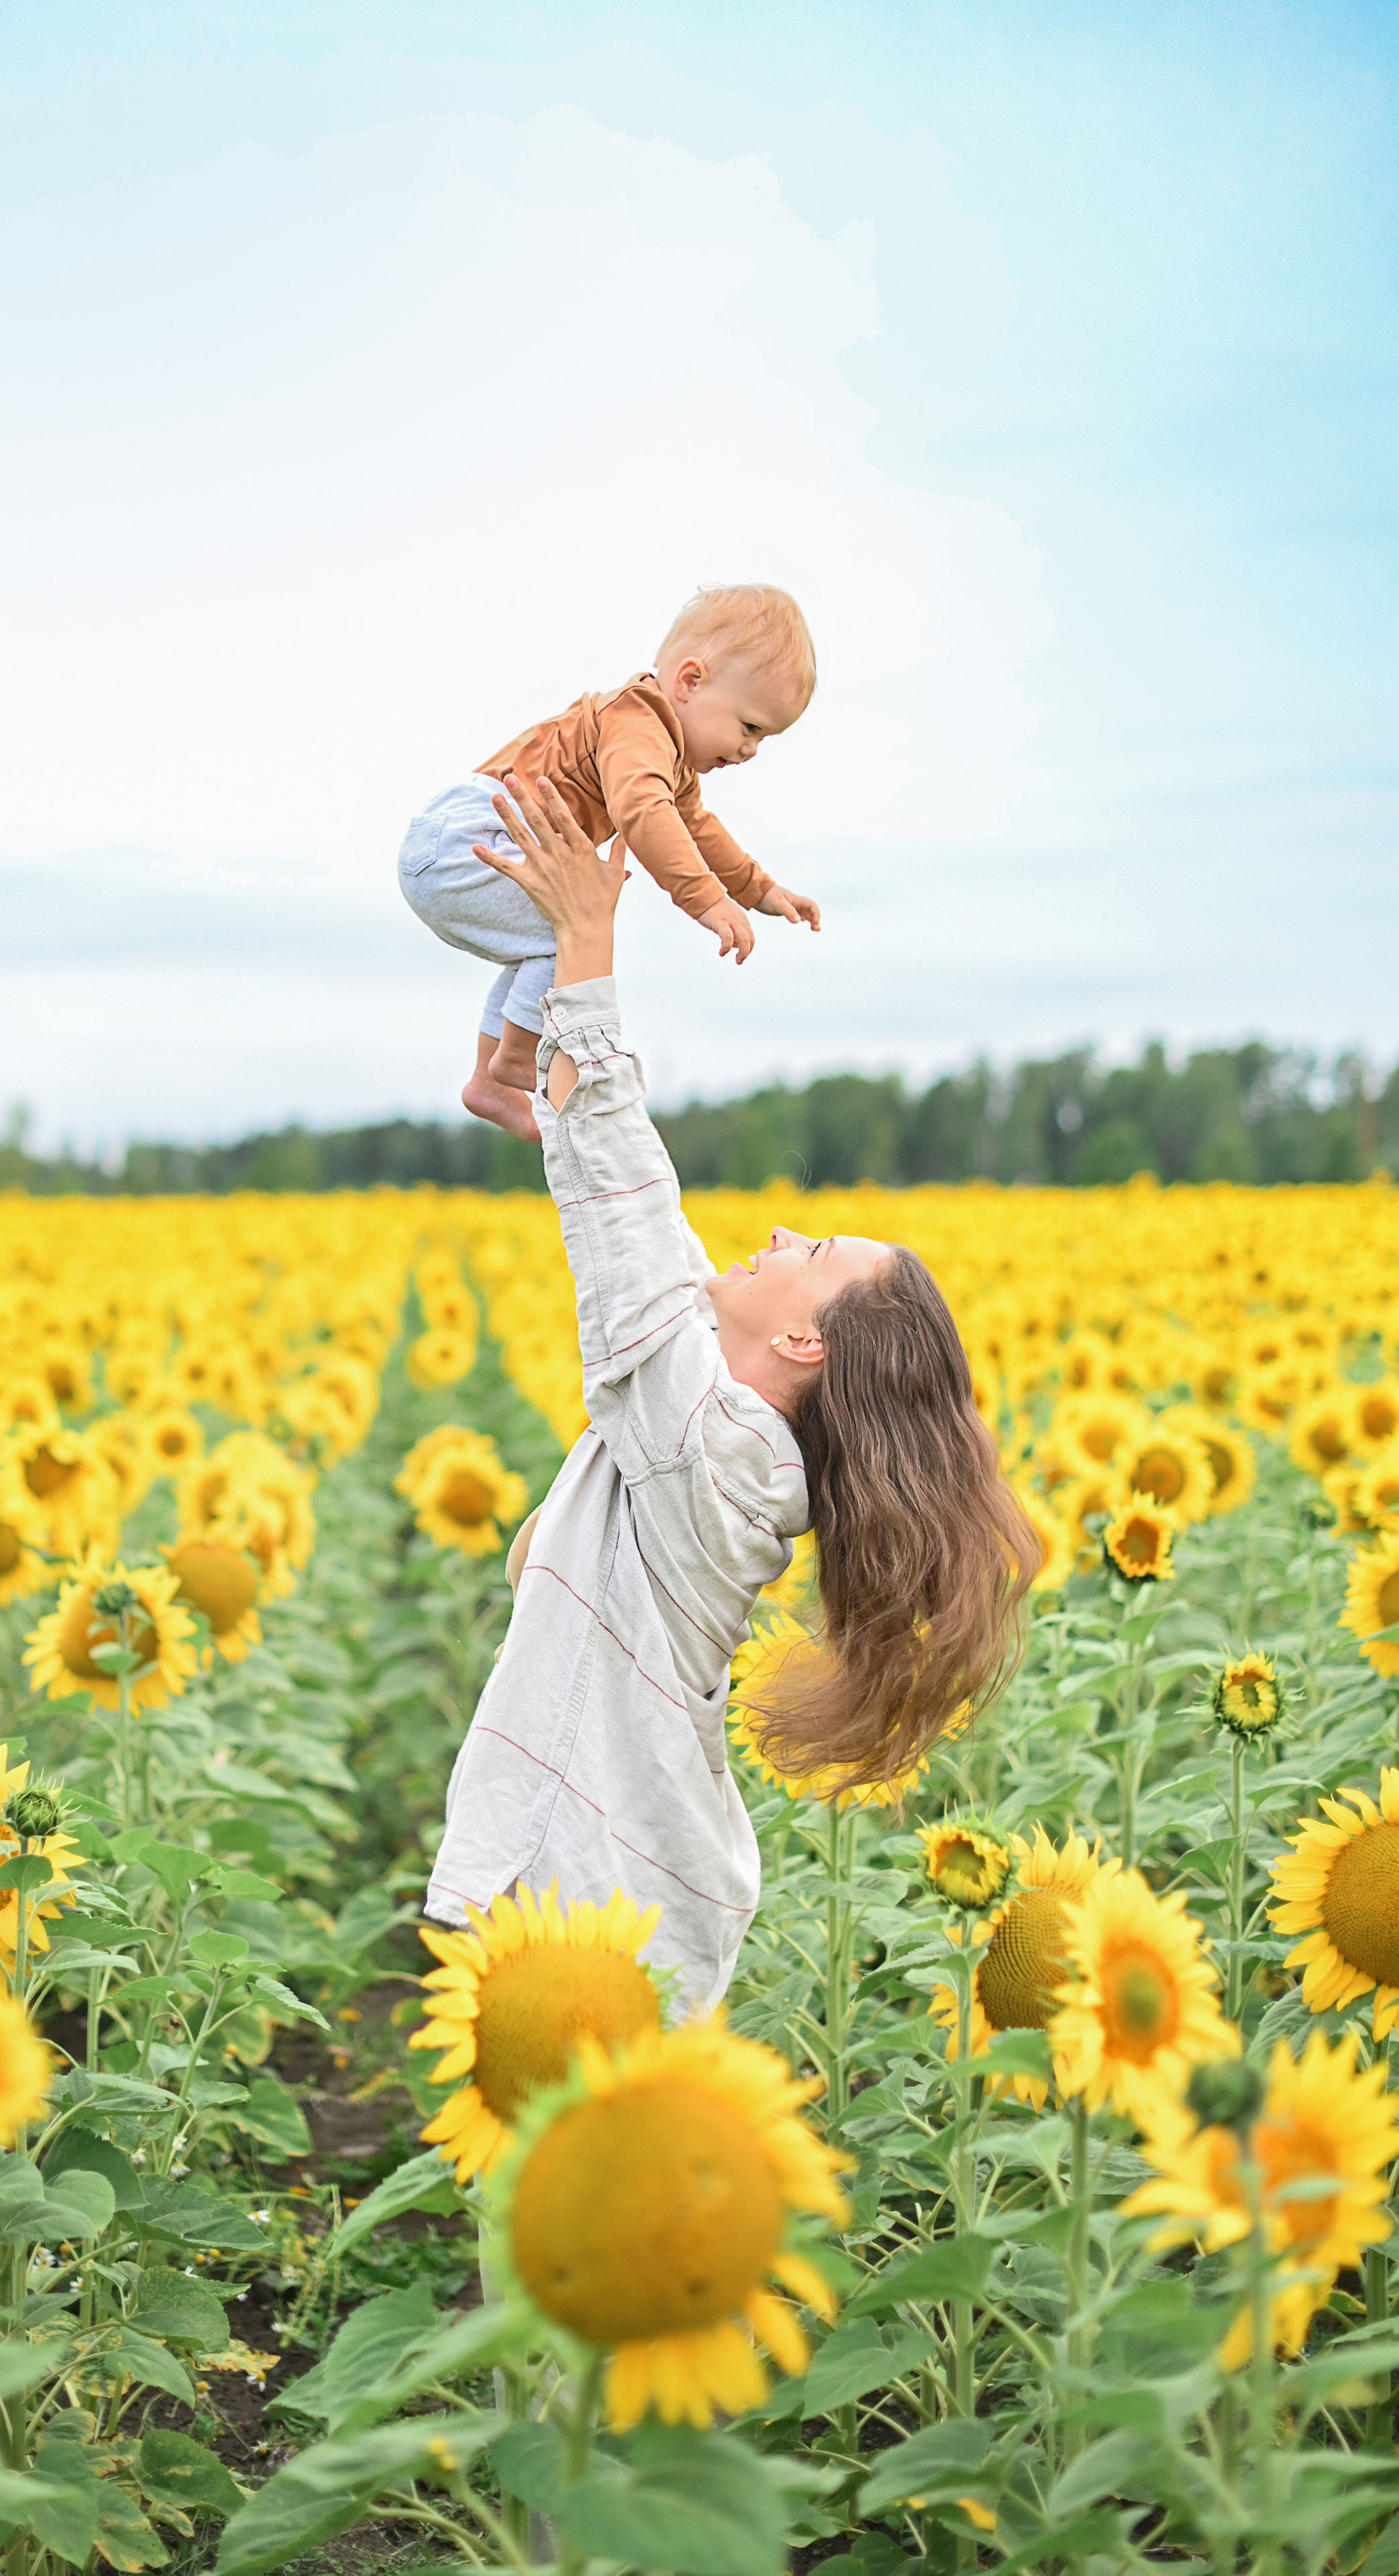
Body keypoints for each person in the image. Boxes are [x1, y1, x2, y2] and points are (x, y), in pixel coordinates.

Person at [425, 776, 1041, 2009]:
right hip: (613, 1893)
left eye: (812, 1252)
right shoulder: (731, 1449)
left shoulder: (712, 1453)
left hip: (589, 1909)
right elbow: (652, 1252)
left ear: (806, 1342)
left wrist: (586, 951)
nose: (777, 1232)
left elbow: (627, 1217)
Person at [396, 584, 822, 1144]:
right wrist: (707, 900)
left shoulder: (667, 754)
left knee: (557, 933)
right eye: (749, 727)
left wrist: (759, 890)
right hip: (471, 837)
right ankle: (516, 1058)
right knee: (576, 925)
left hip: (456, 842)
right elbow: (643, 811)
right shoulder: (638, 721)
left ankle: (491, 1080)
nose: (751, 751)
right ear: (690, 681)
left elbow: (696, 827)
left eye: (764, 738)